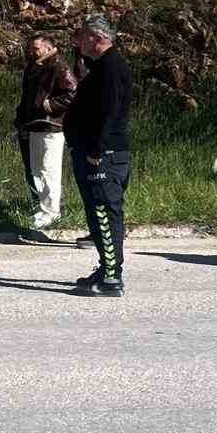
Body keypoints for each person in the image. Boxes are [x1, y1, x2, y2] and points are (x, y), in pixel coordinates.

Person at [64, 16, 134, 296]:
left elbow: (109, 112)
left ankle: (111, 278)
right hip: (98, 152)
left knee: (105, 213)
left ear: (97, 38)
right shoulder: (102, 67)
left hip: (103, 155)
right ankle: (107, 266)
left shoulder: (110, 69)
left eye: (82, 36)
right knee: (98, 213)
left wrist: (96, 149)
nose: (77, 41)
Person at [15, 33, 78, 231]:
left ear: (48, 47)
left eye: (36, 48)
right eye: (31, 48)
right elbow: (27, 97)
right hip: (35, 124)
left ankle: (53, 211)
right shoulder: (33, 68)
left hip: (51, 126)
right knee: (37, 169)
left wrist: (51, 105)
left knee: (49, 169)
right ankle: (44, 209)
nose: (32, 52)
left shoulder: (59, 66)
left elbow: (72, 91)